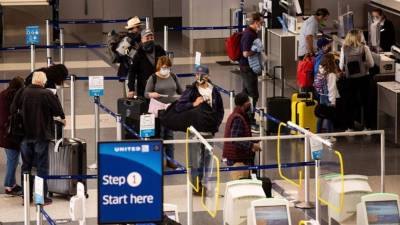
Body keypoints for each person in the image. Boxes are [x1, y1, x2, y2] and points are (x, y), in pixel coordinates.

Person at [11, 71, 66, 205]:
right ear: (43, 81)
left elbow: (13, 109)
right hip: (41, 135)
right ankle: (40, 198)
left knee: (26, 166)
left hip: (24, 135)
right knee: (41, 167)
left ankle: (26, 197)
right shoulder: (47, 94)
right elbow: (59, 112)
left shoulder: (22, 92)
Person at [175, 65, 224, 196]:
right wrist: (193, 104)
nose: (199, 77)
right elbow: (179, 107)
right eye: (197, 75)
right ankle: (196, 186)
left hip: (209, 131)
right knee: (195, 160)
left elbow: (220, 110)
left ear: (207, 76)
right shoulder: (191, 91)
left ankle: (203, 183)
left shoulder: (214, 91)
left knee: (207, 160)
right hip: (195, 132)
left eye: (201, 75)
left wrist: (216, 124)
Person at [144, 56, 183, 169]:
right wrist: (152, 94)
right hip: (157, 110)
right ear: (159, 67)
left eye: (168, 67)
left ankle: (171, 160)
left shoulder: (173, 76)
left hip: (171, 109)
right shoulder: (153, 78)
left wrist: (180, 97)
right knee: (159, 135)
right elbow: (146, 93)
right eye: (164, 67)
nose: (166, 69)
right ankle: (160, 160)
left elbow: (181, 91)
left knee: (169, 135)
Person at [339, 29, 374, 131]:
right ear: (359, 37)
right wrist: (363, 65)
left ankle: (350, 127)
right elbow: (371, 64)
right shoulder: (364, 48)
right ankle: (368, 127)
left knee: (350, 103)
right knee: (366, 103)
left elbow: (341, 66)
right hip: (364, 79)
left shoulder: (344, 49)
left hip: (350, 80)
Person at [223, 93, 261, 180]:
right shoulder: (238, 118)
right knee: (241, 188)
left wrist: (253, 142)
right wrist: (251, 146)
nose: (250, 103)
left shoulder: (238, 115)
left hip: (239, 158)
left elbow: (240, 136)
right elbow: (235, 139)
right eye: (248, 101)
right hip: (238, 160)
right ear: (244, 103)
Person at [239, 12, 264, 133]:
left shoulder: (252, 33)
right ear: (256, 22)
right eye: (261, 22)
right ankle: (250, 121)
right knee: (253, 95)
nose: (262, 24)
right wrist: (256, 50)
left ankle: (242, 117)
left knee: (246, 93)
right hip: (247, 68)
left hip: (247, 68)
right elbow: (245, 53)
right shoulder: (249, 34)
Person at [0, 77, 24, 195]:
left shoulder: (2, 94)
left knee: (11, 160)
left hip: (3, 133)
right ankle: (9, 185)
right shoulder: (16, 96)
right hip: (12, 133)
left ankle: (12, 184)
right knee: (13, 161)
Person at [128, 29, 166, 98]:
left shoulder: (159, 49)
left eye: (151, 38)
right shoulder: (138, 53)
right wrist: (131, 89)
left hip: (159, 86)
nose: (150, 40)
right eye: (147, 38)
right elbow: (132, 72)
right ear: (142, 40)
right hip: (144, 88)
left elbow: (166, 65)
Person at [314, 54, 340, 136]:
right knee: (329, 116)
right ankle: (330, 135)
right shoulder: (331, 74)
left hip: (322, 95)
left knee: (321, 115)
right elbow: (331, 88)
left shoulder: (321, 70)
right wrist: (332, 101)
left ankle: (318, 133)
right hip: (328, 97)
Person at [117, 17, 143, 84]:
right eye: (138, 27)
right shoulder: (131, 38)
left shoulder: (130, 37)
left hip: (128, 68)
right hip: (130, 68)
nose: (140, 28)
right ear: (133, 28)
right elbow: (124, 53)